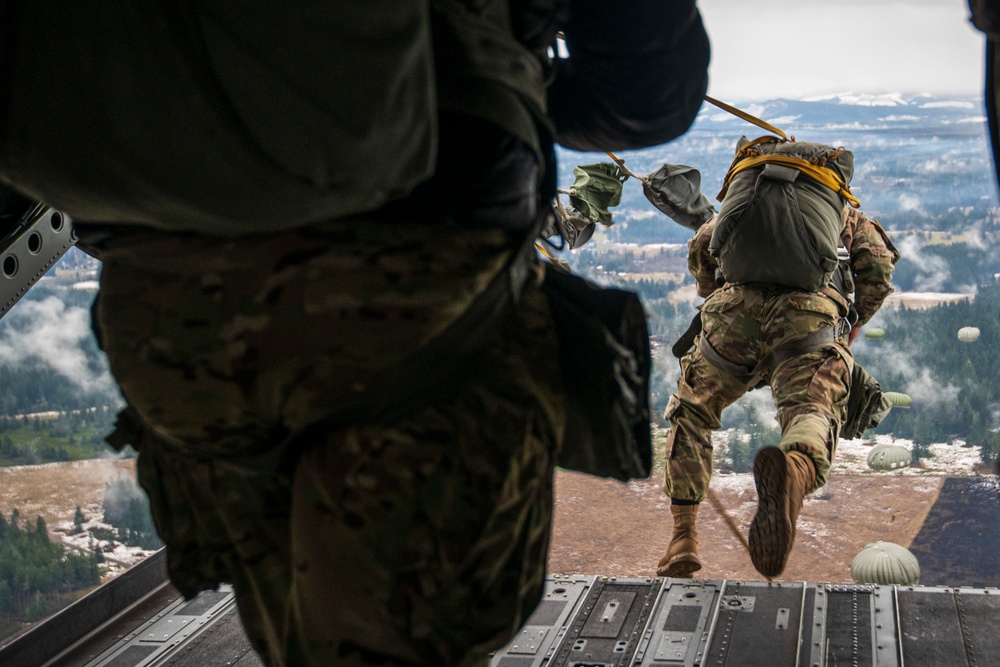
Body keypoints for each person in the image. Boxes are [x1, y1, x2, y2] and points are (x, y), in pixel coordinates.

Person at [0, 1, 709, 665]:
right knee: (401, 631)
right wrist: (506, 55)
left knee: (283, 607)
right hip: (406, 268)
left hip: (166, 304)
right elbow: (650, 92)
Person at [658, 204, 898, 580]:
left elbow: (700, 246)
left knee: (691, 413)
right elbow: (879, 270)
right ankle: (795, 470)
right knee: (811, 409)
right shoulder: (839, 206)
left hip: (733, 314)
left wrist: (714, 296)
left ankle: (683, 537)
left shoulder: (747, 195)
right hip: (809, 316)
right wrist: (852, 322)